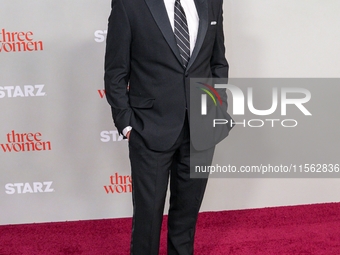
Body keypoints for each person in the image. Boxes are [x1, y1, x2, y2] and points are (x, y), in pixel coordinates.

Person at [104, 0, 233, 253]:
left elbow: (218, 63)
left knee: (186, 218)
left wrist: (217, 109)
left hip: (201, 128)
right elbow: (115, 71)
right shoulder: (129, 5)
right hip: (148, 128)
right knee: (147, 219)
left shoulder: (212, 3)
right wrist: (126, 124)